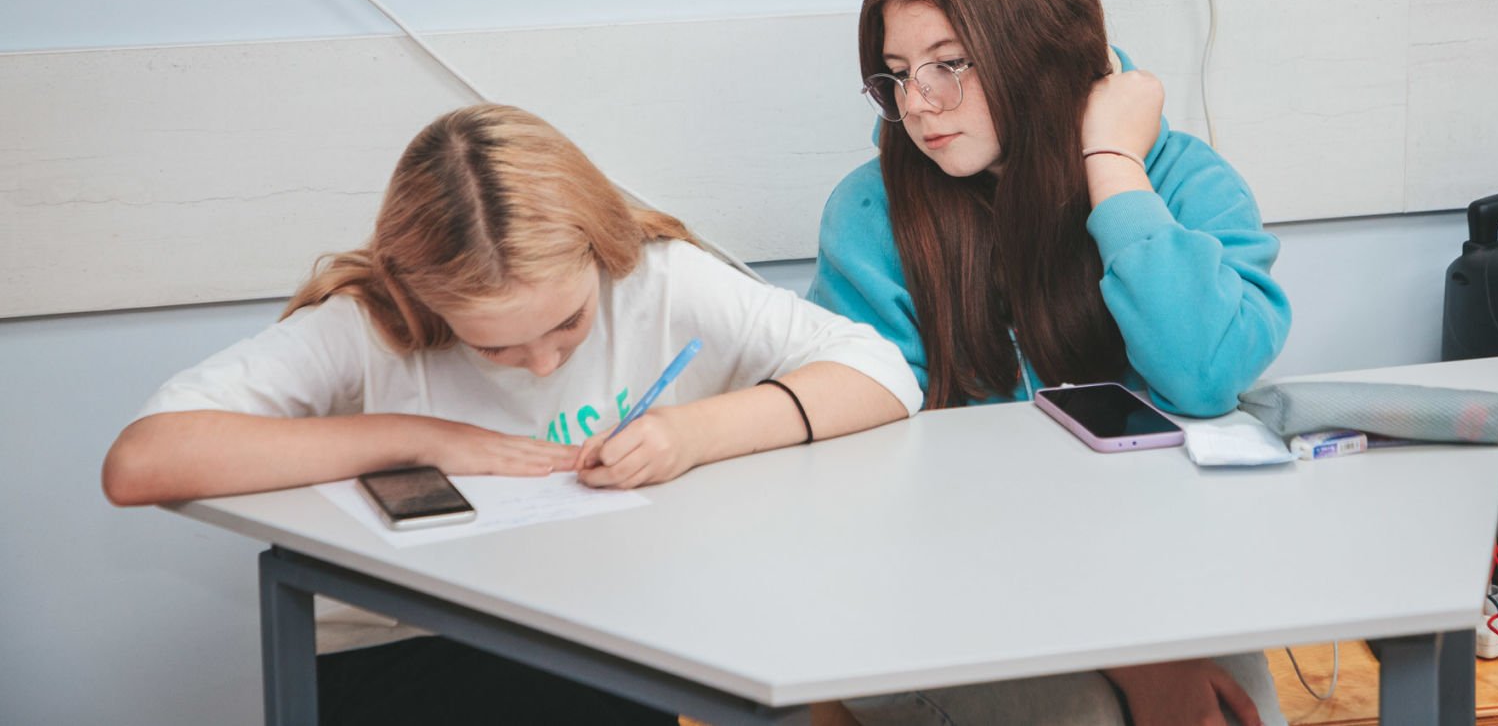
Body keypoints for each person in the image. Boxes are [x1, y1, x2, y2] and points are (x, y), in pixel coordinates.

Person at [103, 103, 922, 726]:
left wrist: (691, 433)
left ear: (598, 248)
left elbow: (882, 371)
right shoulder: (371, 324)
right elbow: (142, 460)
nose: (542, 363)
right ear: (422, 294)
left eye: (567, 323)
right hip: (402, 647)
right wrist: (423, 440)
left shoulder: (657, 281)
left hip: (609, 629)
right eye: (492, 345)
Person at [807, 0, 1292, 726]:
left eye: (947, 64)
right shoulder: (871, 214)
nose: (918, 103)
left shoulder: (1179, 180)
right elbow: (876, 476)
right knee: (1077, 712)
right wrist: (1135, 656)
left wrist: (1113, 164)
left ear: (1037, 51)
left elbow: (1205, 372)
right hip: (946, 591)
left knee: (1240, 705)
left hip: (1159, 578)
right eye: (896, 74)